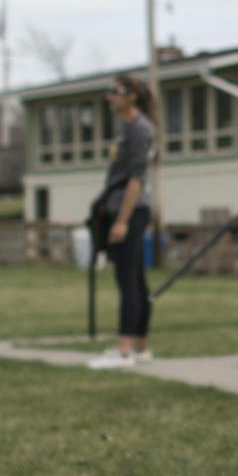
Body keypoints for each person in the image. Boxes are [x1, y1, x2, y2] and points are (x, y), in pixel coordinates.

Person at [88, 73, 157, 369]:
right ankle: (140, 345)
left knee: (127, 279)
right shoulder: (126, 128)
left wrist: (122, 221)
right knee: (135, 278)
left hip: (131, 210)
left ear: (132, 96)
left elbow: (136, 180)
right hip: (120, 207)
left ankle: (125, 348)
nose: (110, 97)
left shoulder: (140, 129)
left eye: (116, 91)